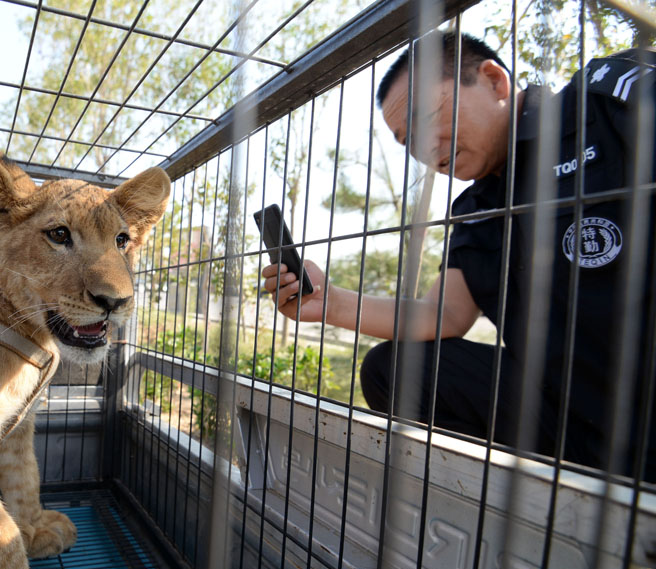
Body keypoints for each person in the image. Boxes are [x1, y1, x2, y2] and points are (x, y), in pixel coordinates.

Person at [263, 32, 656, 480]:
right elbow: (443, 313)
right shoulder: (475, 209)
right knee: (391, 370)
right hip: (567, 413)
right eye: (407, 140)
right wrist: (329, 303)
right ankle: (521, 506)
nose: (425, 147)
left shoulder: (607, 103)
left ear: (493, 80)